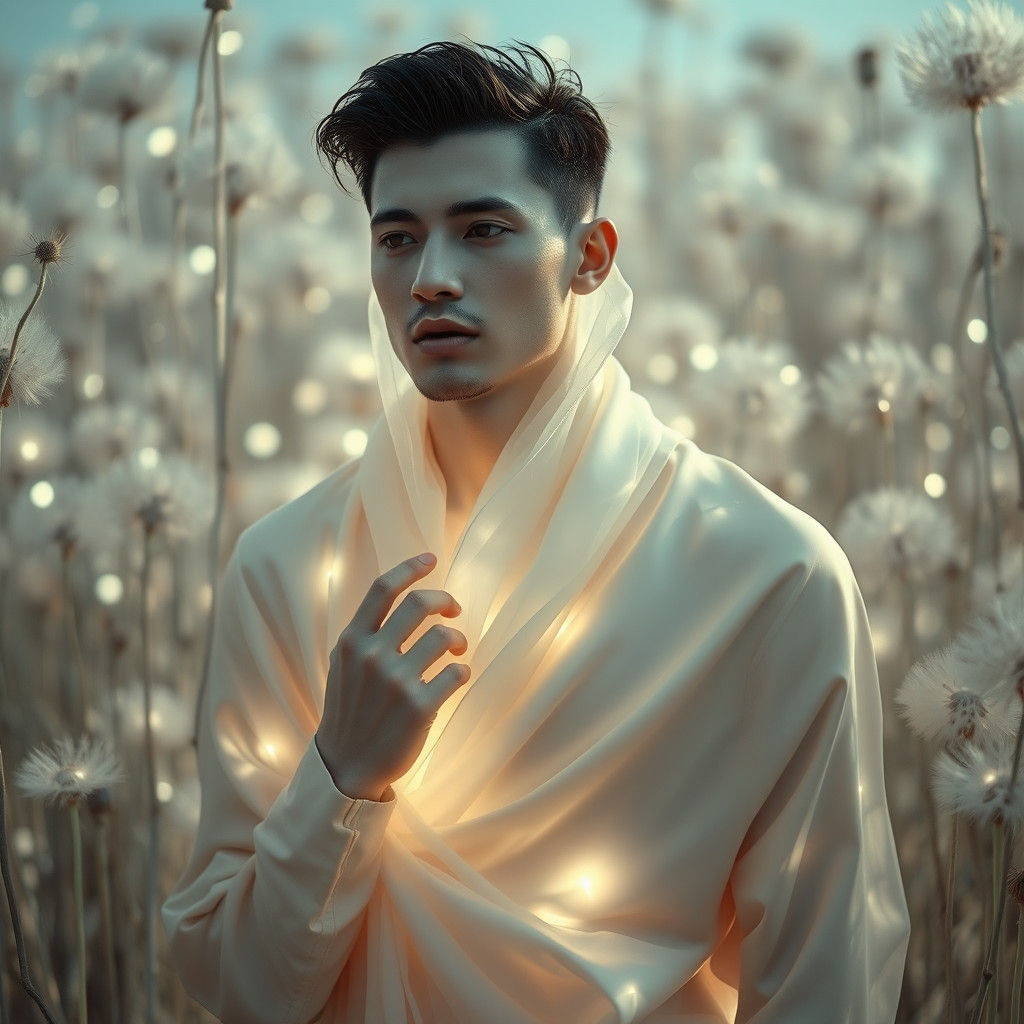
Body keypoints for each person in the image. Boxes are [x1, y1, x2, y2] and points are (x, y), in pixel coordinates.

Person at [162, 38, 910, 1024]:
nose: (430, 275)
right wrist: (340, 777)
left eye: (482, 230)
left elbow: (826, 982)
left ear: (589, 259)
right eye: (396, 238)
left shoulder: (768, 575)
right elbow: (238, 988)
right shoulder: (286, 568)